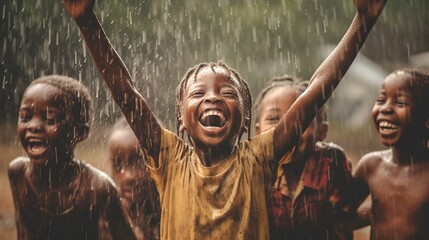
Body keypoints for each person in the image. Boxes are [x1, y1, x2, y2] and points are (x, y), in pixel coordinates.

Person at [61, 0, 386, 238]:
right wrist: (87, 22)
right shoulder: (169, 157)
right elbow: (125, 89)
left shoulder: (259, 158)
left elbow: (316, 89)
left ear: (245, 122)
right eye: (198, 93)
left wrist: (363, 21)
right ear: (181, 120)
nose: (213, 97)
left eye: (228, 92)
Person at [8, 75, 137, 240]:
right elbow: (24, 233)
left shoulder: (97, 187)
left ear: (80, 132)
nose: (33, 126)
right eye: (25, 117)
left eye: (50, 119)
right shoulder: (17, 173)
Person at [253, 77, 353, 240]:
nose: (287, 130)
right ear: (258, 132)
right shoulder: (254, 168)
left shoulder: (331, 162)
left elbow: (342, 225)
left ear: (322, 131)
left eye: (301, 119)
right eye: (273, 119)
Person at [353, 69, 429, 240]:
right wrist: (378, 212)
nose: (385, 108)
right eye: (381, 100)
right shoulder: (371, 166)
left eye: (400, 103)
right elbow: (342, 215)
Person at [107, 117, 161, 240]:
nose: (127, 176)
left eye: (138, 162)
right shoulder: (107, 217)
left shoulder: (175, 213)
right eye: (118, 164)